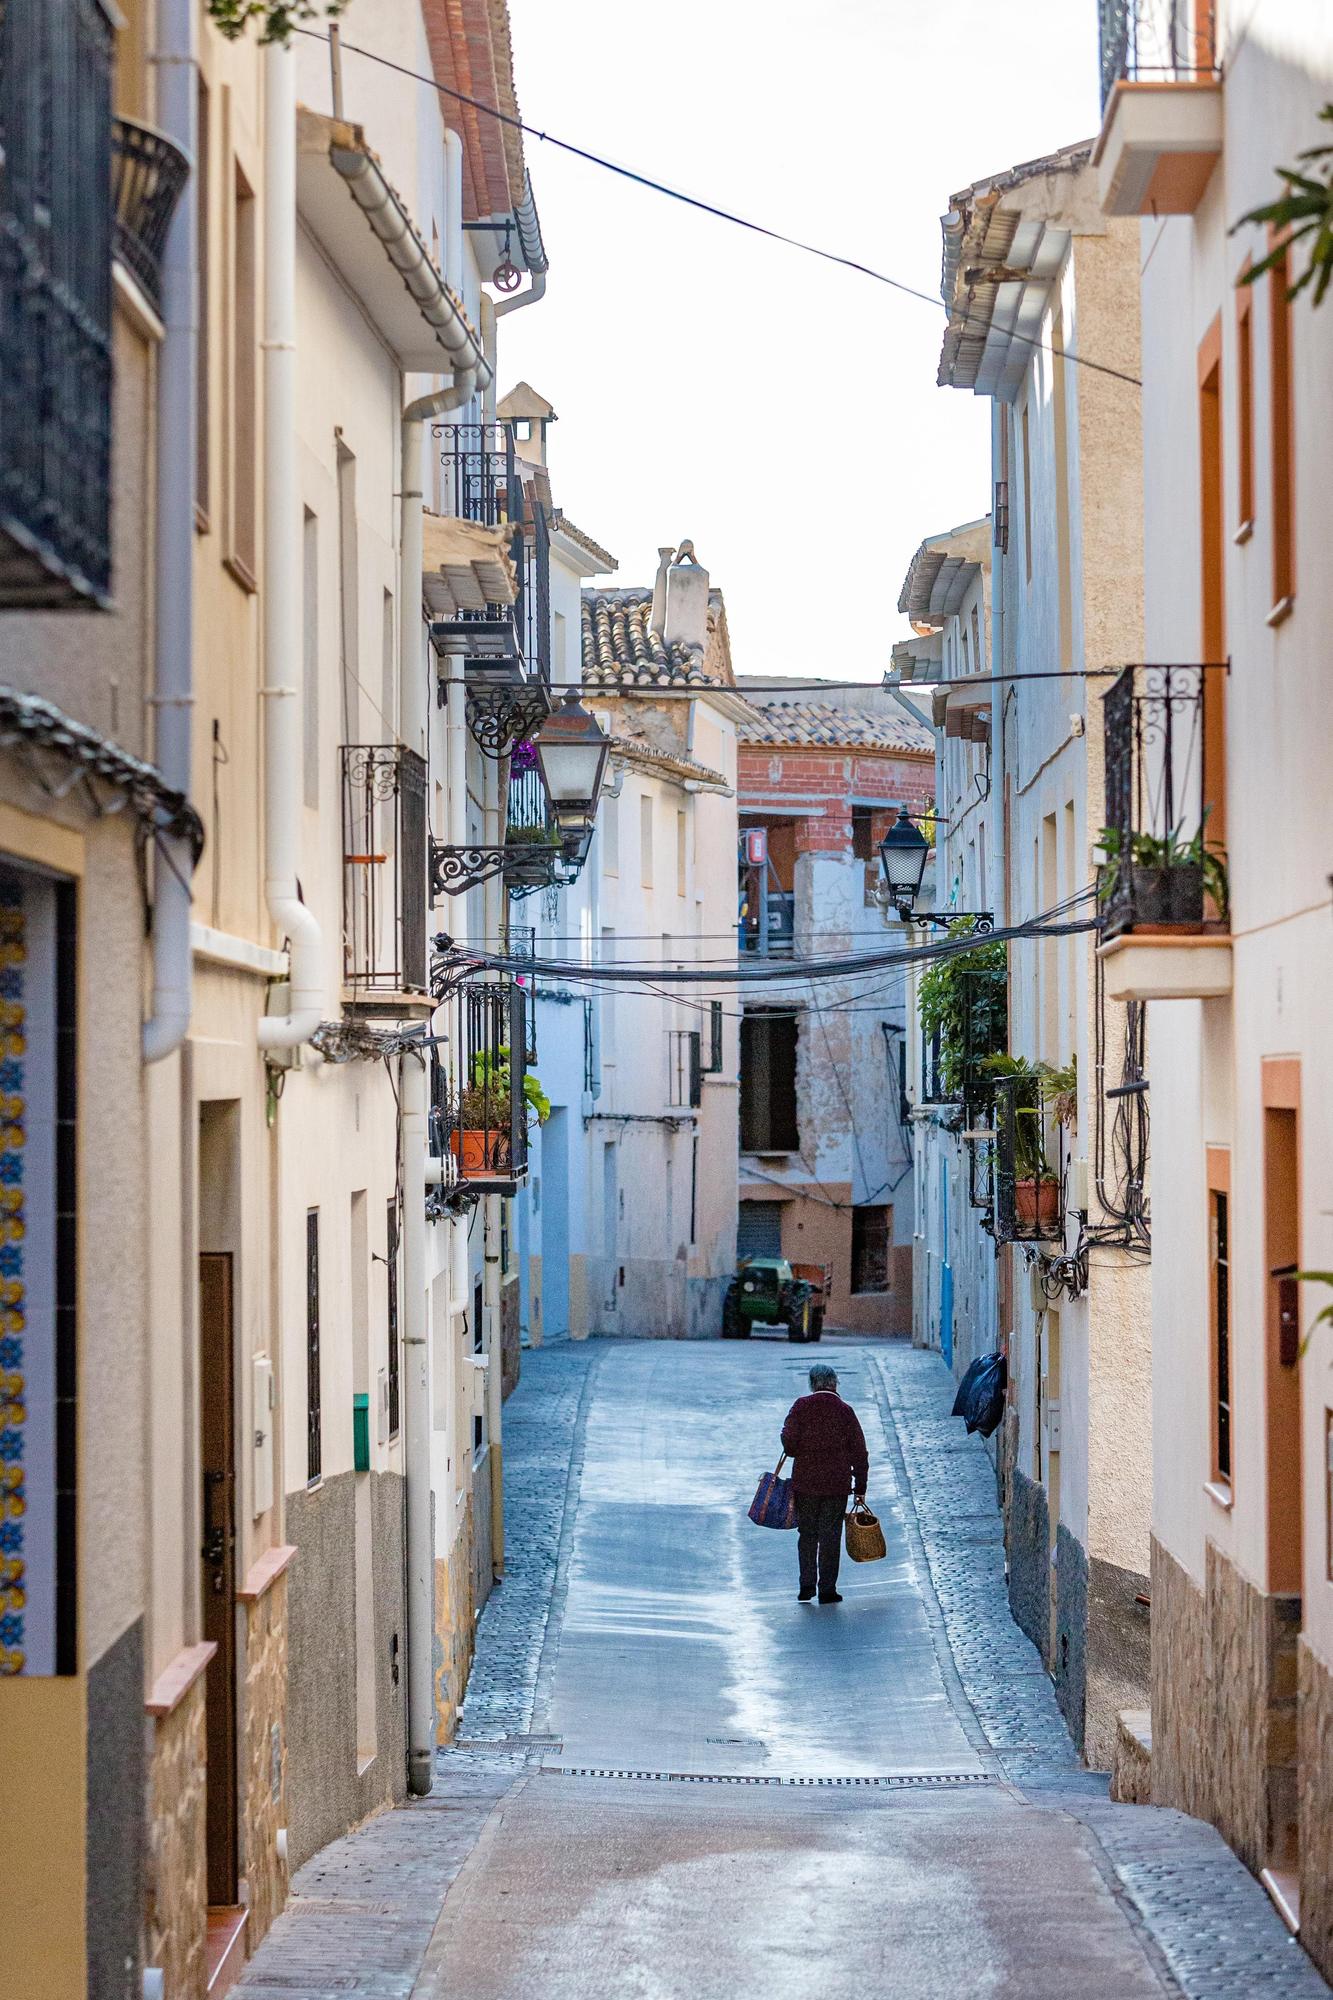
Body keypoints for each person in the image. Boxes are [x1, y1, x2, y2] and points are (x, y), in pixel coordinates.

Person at [780, 1362, 869, 1604]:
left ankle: (806, 1585)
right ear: (834, 1383)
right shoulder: (845, 1411)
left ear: (812, 1384)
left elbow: (789, 1445)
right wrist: (860, 1488)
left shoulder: (801, 1407)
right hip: (836, 1485)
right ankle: (827, 1589)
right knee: (830, 1535)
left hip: (806, 1483)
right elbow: (859, 1453)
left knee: (807, 1533)